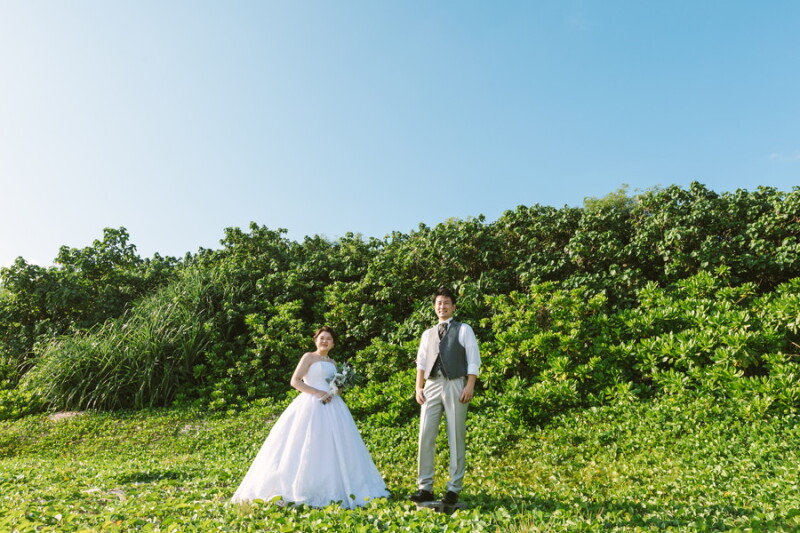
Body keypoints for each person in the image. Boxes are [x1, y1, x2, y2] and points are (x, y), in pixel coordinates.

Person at [231, 326, 389, 509]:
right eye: (322, 338)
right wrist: (317, 393)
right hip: (310, 403)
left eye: (328, 339)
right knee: (305, 442)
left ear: (333, 343)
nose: (325, 341)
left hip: (333, 405)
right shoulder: (308, 357)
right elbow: (295, 381)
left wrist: (337, 389)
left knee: (335, 444)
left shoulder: (333, 363)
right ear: (316, 340)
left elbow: (334, 385)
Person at [409, 287, 481, 506]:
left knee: (456, 436)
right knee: (425, 434)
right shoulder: (427, 333)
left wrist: (469, 385)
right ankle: (425, 487)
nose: (442, 306)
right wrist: (418, 387)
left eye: (446, 303)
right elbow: (421, 362)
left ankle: (453, 488)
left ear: (453, 307)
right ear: (434, 307)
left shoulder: (464, 329)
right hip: (431, 384)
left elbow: (473, 358)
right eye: (439, 303)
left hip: (455, 384)